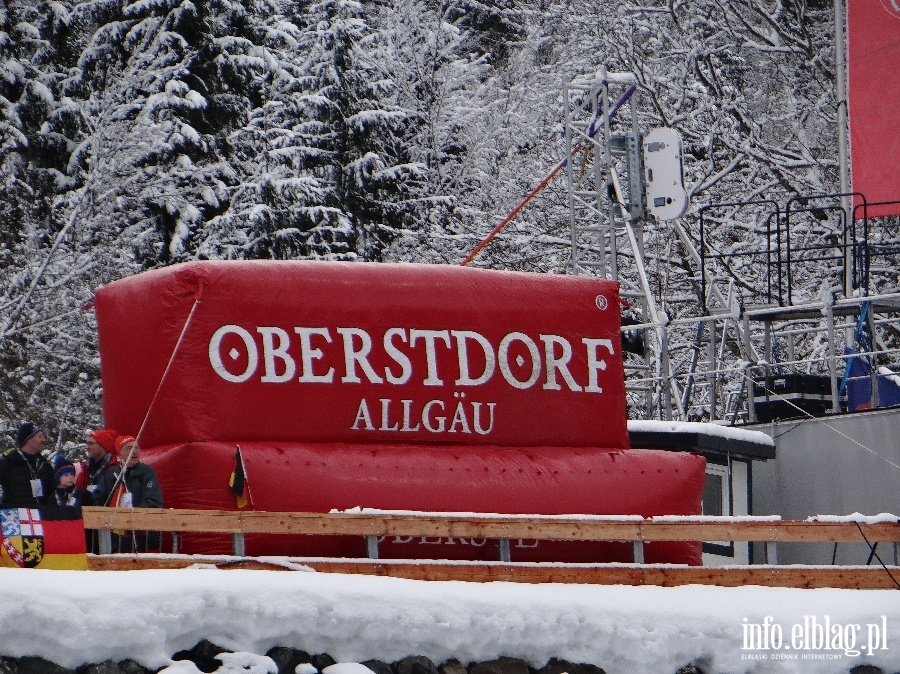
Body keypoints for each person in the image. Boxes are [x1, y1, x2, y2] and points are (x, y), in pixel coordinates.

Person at [96, 436, 163, 552]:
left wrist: (132, 516)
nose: (134, 451)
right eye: (129, 448)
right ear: (119, 453)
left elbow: (153, 500)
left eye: (136, 448)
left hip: (143, 538)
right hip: (117, 538)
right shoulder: (111, 474)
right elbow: (99, 499)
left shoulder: (147, 472)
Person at [0, 421, 54, 507]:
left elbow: (52, 495)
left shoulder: (44, 464)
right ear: (29, 440)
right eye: (40, 436)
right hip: (15, 516)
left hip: (39, 516)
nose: (43, 440)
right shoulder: (8, 461)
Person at [76, 428, 118, 495]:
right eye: (87, 443)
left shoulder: (116, 469)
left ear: (102, 446)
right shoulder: (85, 468)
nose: (87, 447)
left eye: (91, 443)